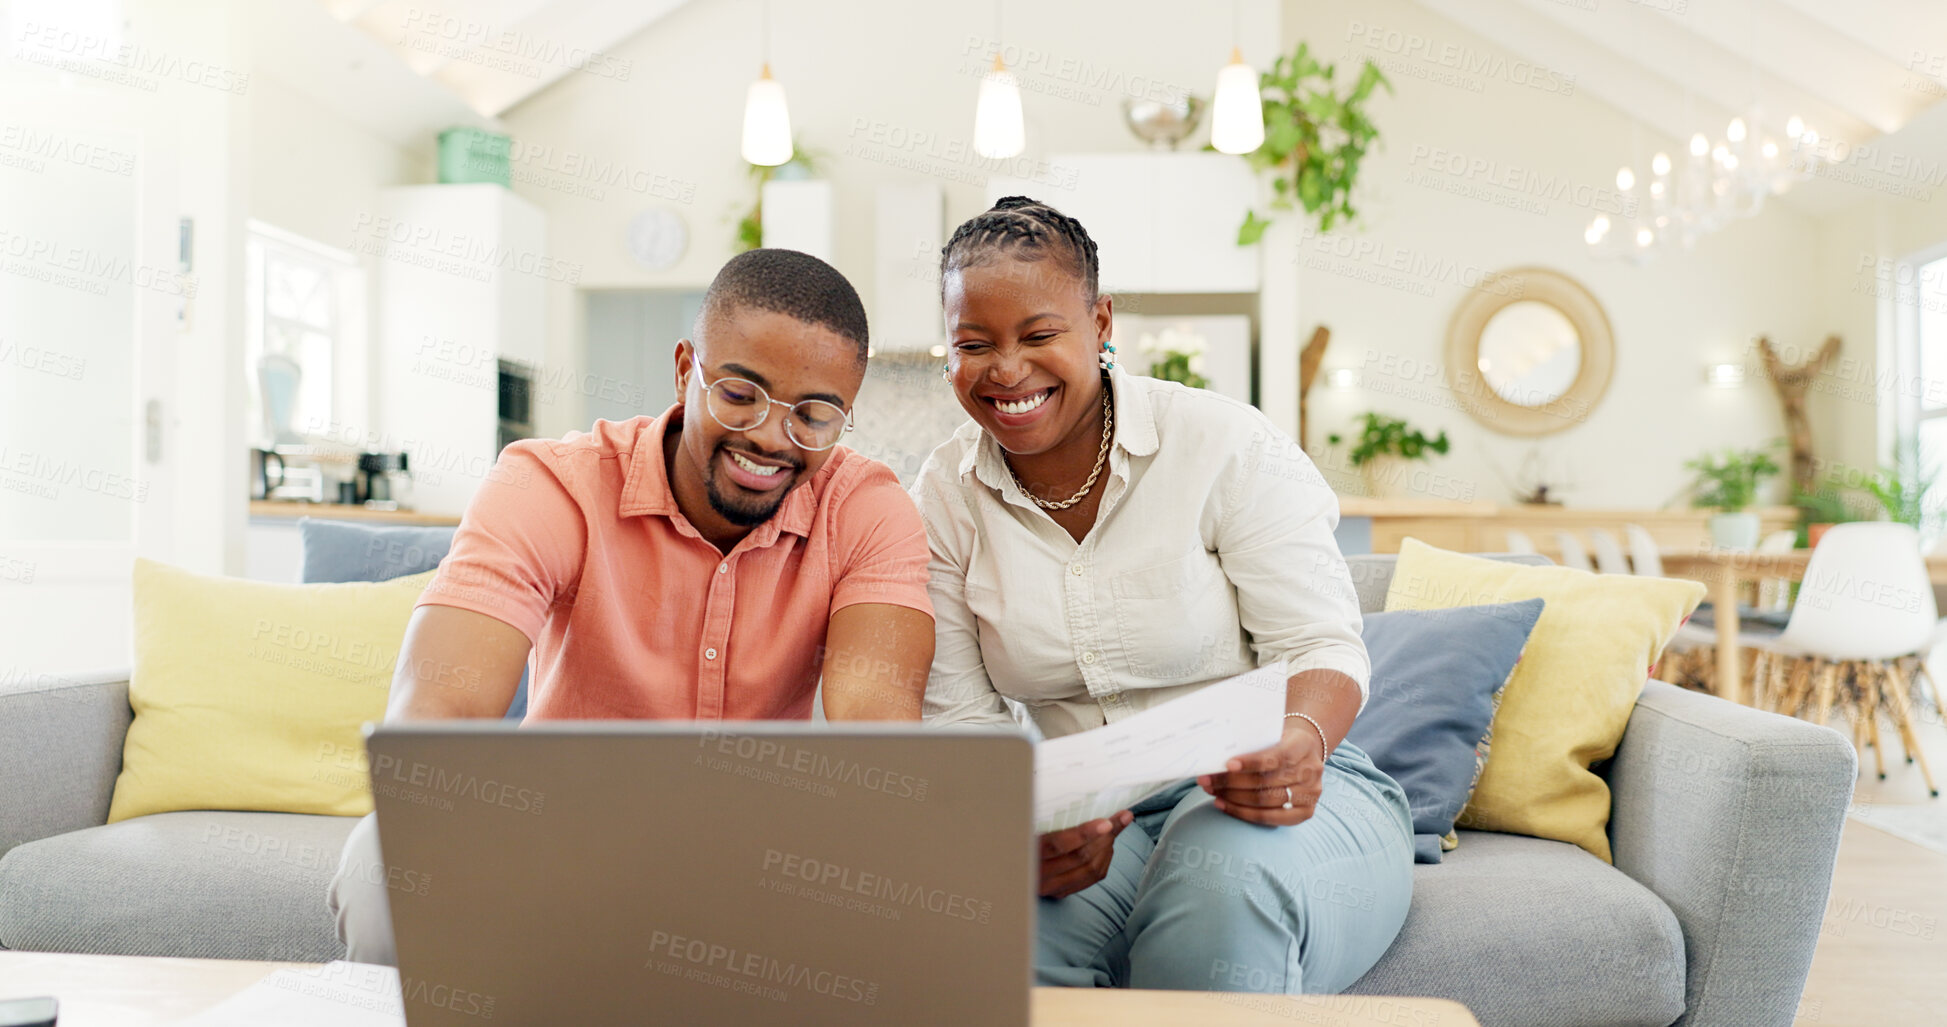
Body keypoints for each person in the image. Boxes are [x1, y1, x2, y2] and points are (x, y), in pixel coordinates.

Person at [327, 248, 937, 965]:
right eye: (739, 394)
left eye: (814, 416)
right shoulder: (550, 485)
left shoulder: (867, 509)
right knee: (382, 858)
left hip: (764, 856)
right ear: (686, 369)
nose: (772, 439)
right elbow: (434, 724)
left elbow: (878, 743)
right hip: (556, 838)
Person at [912, 197, 1413, 993]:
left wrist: (1299, 739)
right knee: (987, 941)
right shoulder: (941, 498)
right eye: (973, 344)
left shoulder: (1222, 444)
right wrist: (1010, 832)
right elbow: (964, 723)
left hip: (1265, 794)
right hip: (1095, 816)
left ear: (1100, 321)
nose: (1005, 371)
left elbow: (1318, 645)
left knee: (1216, 889)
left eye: (1039, 335)